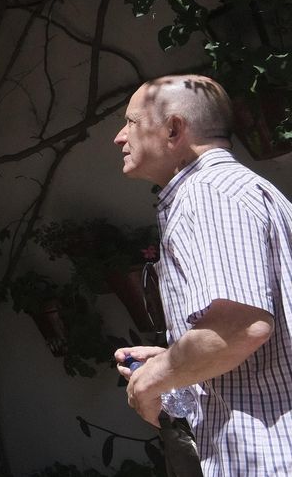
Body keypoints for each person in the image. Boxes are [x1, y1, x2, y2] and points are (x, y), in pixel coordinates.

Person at [112, 74, 292, 474]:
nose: (119, 137)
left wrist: (151, 380)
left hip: (269, 455)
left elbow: (241, 326)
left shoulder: (208, 193)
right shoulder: (241, 189)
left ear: (173, 129)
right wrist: (176, 359)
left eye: (131, 122)